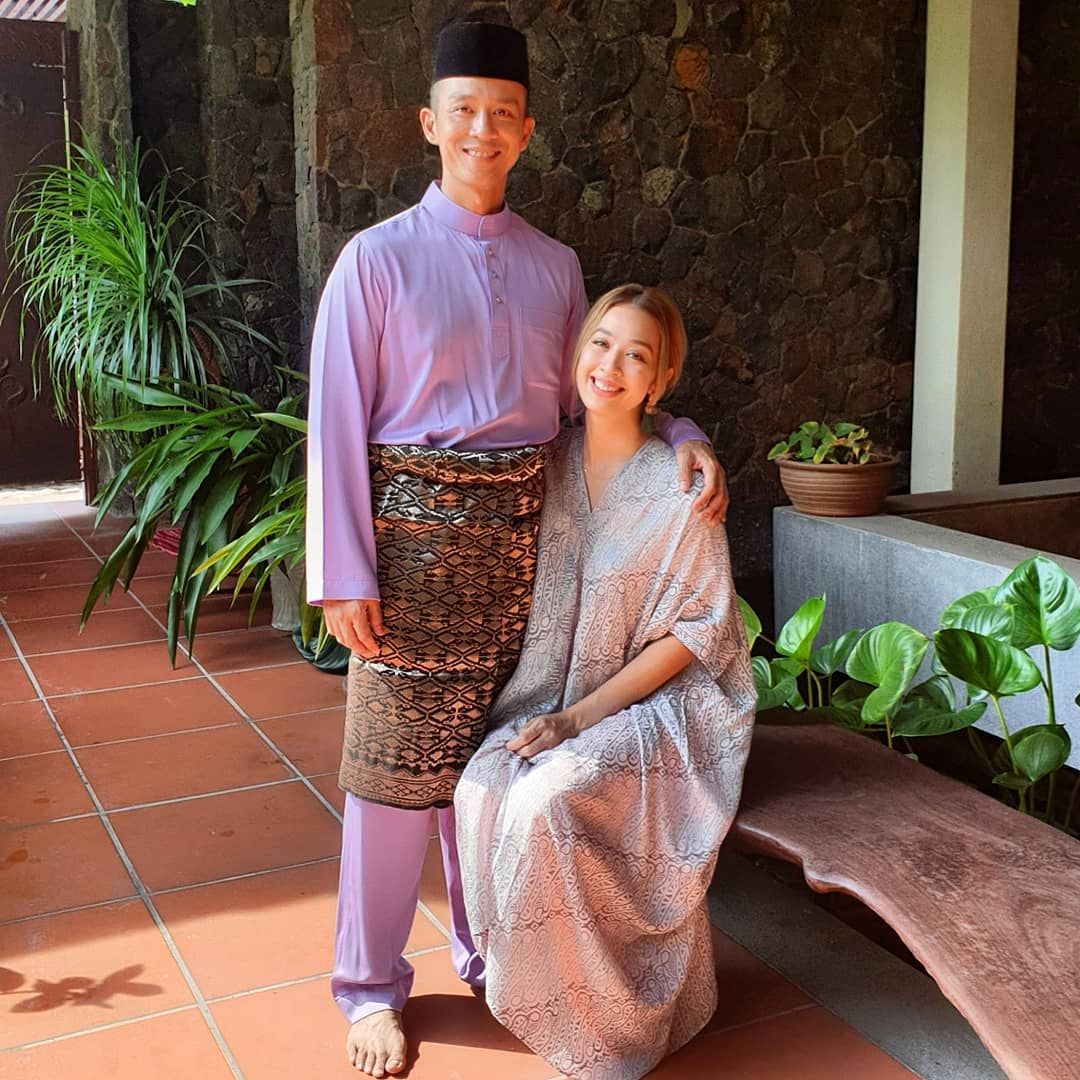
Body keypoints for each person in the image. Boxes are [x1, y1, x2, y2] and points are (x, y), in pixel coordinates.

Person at [305, 21, 729, 1079]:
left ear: (526, 131)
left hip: (530, 566)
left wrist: (687, 433)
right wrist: (342, 571)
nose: (481, 130)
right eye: (463, 111)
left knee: (485, 765)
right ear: (429, 125)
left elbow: (601, 396)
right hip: (406, 561)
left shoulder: (555, 267)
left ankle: (483, 950)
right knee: (390, 784)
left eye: (503, 113)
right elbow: (335, 418)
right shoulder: (375, 260)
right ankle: (368, 987)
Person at [454, 284, 756, 1080]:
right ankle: (550, 993)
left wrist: (580, 719)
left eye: (636, 355)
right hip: (550, 695)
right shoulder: (539, 463)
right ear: (575, 354)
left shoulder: (683, 485)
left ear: (659, 382)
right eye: (600, 342)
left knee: (551, 800)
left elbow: (697, 632)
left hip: (667, 708)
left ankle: (618, 1029)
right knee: (484, 787)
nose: (611, 365)